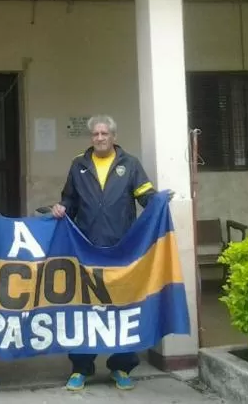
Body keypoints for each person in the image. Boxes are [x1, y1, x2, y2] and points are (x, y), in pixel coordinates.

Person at [51, 115, 168, 393]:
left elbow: (145, 195)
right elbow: (69, 199)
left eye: (105, 133)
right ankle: (81, 367)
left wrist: (159, 201)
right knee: (85, 309)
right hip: (86, 249)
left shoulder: (130, 164)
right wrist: (61, 207)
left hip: (122, 250)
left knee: (123, 309)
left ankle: (121, 366)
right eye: (96, 134)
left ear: (114, 136)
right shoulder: (79, 165)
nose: (100, 138)